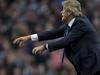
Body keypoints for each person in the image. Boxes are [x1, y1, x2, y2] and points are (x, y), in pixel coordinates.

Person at [13, 0, 100, 75]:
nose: (61, 12)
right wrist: (28, 37)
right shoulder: (71, 24)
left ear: (69, 12)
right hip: (87, 66)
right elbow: (52, 33)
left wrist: (44, 47)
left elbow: (66, 40)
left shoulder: (81, 24)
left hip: (94, 66)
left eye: (63, 10)